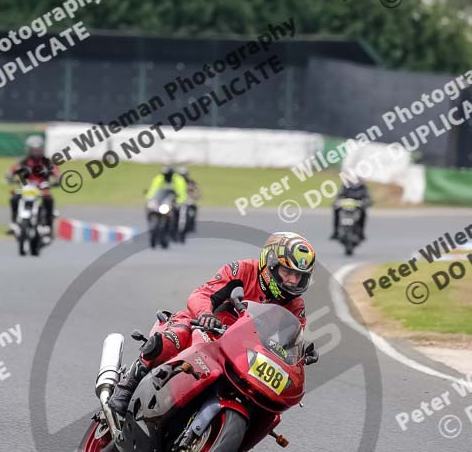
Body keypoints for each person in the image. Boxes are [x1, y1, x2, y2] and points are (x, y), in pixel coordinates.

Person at [109, 231, 319, 418]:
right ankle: (127, 386)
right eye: (287, 272)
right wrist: (205, 315)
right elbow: (201, 294)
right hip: (206, 329)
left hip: (243, 352)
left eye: (299, 276)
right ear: (270, 263)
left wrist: (299, 354)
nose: (293, 281)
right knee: (174, 338)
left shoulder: (295, 305)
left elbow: (288, 339)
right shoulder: (242, 270)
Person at [7, 136, 60, 235]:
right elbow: (13, 169)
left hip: (42, 186)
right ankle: (14, 224)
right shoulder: (24, 161)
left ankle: (47, 225)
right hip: (27, 186)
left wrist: (57, 180)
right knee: (14, 199)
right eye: (33, 150)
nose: (35, 152)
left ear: (42, 149)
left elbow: (55, 171)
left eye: (37, 150)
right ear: (29, 149)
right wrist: (10, 177)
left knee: (48, 199)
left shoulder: (47, 162)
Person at [146, 165, 187, 237]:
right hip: (161, 200)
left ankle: (177, 229)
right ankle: (151, 224)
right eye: (165, 175)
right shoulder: (159, 178)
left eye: (168, 175)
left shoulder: (178, 180)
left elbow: (181, 192)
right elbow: (153, 189)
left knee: (177, 211)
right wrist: (150, 199)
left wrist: (179, 201)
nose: (166, 176)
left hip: (173, 200)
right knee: (149, 209)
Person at [177, 165, 201, 233]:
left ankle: (191, 224)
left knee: (193, 209)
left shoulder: (191, 182)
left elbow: (197, 191)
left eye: (183, 175)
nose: (182, 177)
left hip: (188, 200)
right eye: (181, 175)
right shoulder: (175, 182)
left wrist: (194, 197)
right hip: (177, 200)